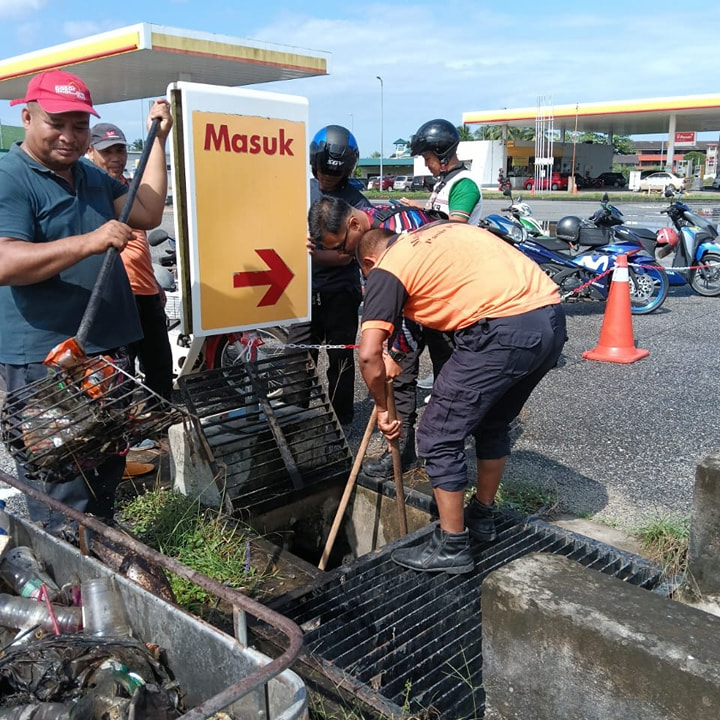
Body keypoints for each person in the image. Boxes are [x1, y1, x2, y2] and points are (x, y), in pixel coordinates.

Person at [0, 69, 173, 532]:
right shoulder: (10, 177)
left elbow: (147, 209)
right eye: (57, 123)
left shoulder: (92, 175)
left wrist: (159, 138)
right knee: (59, 476)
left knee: (105, 462)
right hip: (48, 359)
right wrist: (88, 241)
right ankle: (65, 581)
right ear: (27, 116)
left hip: (107, 350)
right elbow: (5, 261)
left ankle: (103, 551)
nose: (69, 136)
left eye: (80, 125)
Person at [356, 222, 566, 574]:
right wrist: (395, 352)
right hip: (550, 318)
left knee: (437, 433)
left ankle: (452, 543)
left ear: (368, 263)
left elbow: (367, 355)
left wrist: (382, 410)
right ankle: (482, 517)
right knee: (493, 423)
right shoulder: (436, 237)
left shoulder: (387, 266)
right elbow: (412, 317)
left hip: (501, 330)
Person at [307, 195, 445, 474]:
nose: (345, 256)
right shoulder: (371, 220)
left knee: (446, 382)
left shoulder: (398, 231)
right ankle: (402, 453)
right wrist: (396, 351)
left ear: (354, 224)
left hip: (443, 307)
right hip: (414, 308)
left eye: (343, 247)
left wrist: (394, 349)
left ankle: (444, 460)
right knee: (401, 376)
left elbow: (408, 298)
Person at [283, 125, 370, 427]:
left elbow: (346, 255)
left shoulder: (357, 203)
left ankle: (340, 420)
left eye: (335, 175)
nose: (327, 179)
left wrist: (309, 253)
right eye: (323, 173)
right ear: (314, 165)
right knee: (297, 358)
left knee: (341, 360)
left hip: (341, 292)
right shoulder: (299, 189)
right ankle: (295, 416)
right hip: (303, 292)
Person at [87, 122, 173, 404]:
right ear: (91, 152)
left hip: (146, 291)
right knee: (120, 372)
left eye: (120, 150)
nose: (116, 157)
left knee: (160, 366)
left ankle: (158, 425)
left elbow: (146, 232)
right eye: (107, 151)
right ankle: (123, 437)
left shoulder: (131, 188)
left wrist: (155, 285)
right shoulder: (93, 190)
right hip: (117, 297)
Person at [402, 118, 483, 224]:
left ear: (441, 154)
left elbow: (455, 225)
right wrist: (420, 210)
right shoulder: (445, 180)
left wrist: (423, 212)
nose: (426, 165)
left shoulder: (464, 184)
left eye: (427, 159)